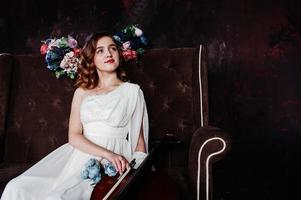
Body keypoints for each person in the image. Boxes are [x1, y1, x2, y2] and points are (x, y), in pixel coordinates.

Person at [1, 31, 149, 200]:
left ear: (119, 54)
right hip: (78, 156)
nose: (108, 53)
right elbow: (74, 136)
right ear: (91, 59)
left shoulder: (132, 92)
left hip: (114, 163)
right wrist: (107, 153)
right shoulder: (82, 93)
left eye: (112, 48)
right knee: (17, 187)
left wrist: (130, 173)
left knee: (59, 198)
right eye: (100, 50)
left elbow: (140, 146)